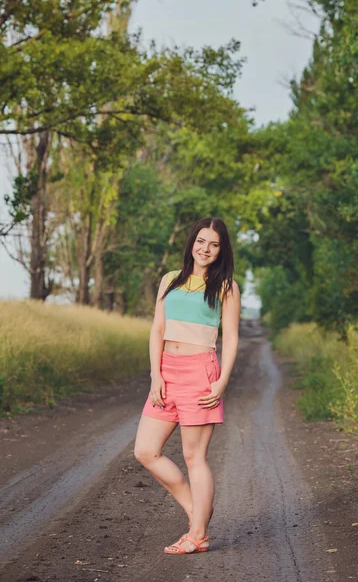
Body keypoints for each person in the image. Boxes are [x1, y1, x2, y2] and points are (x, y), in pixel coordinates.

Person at [134, 217, 241, 555]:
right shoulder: (171, 279)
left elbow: (233, 338)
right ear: (191, 243)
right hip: (166, 371)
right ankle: (198, 511)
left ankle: (198, 535)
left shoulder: (227, 286)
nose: (205, 249)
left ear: (221, 250)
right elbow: (157, 328)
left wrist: (221, 381)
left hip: (200, 372)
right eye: (200, 241)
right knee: (145, 451)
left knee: (195, 456)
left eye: (213, 244)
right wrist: (156, 374)